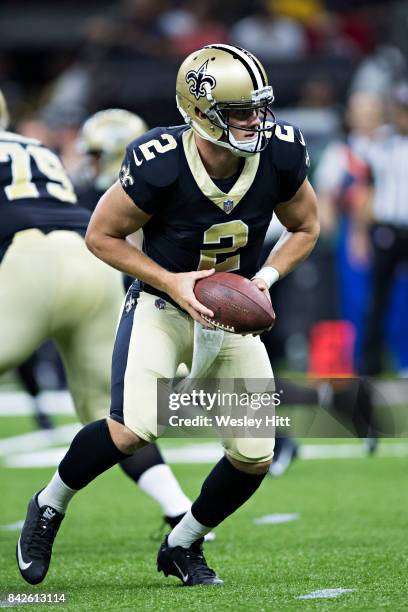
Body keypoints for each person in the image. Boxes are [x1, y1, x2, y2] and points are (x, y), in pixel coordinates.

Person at [17, 44, 319, 587]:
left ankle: (182, 544)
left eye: (259, 107)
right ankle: (49, 504)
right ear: (202, 112)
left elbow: (305, 227)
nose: (256, 121)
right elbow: (100, 235)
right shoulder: (159, 159)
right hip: (162, 304)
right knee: (132, 428)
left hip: (229, 313)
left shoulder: (280, 152)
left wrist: (263, 281)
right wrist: (171, 280)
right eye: (240, 111)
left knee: (254, 454)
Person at [0, 94, 206, 566]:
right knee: (117, 414)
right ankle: (178, 510)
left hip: (23, 263)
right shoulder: (36, 148)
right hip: (88, 263)